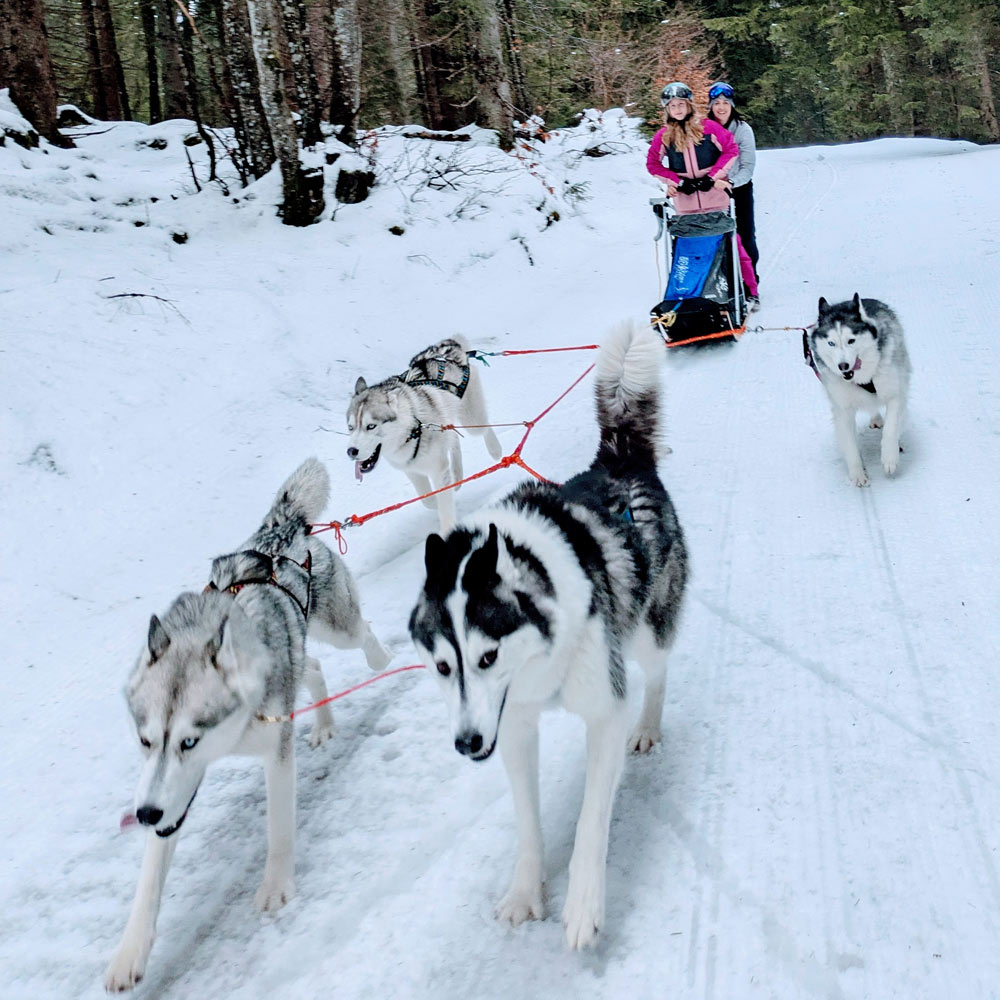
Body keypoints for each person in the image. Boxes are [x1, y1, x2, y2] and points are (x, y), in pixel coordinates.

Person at [646, 81, 759, 307]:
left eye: (681, 104)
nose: (677, 109)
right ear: (666, 109)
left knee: (733, 245)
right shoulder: (664, 135)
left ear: (689, 105)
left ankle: (747, 290)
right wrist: (676, 181)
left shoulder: (708, 127)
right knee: (687, 250)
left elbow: (731, 150)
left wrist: (713, 177)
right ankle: (687, 295)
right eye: (672, 106)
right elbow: (653, 164)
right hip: (685, 202)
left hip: (715, 198)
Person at [706, 81, 759, 286]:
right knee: (716, 237)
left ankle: (750, 284)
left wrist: (731, 183)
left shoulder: (743, 130)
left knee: (745, 237)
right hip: (711, 190)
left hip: (739, 189)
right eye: (717, 102)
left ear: (732, 105)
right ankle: (721, 284)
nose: (721, 107)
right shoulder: (704, 128)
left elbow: (747, 166)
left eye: (725, 102)